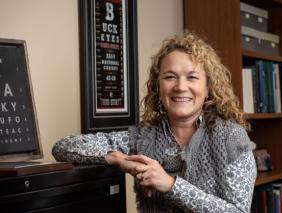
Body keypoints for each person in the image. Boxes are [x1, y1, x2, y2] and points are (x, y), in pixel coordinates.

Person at [52, 32, 257, 212]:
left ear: (208, 87)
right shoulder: (144, 138)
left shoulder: (232, 138)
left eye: (192, 77)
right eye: (170, 77)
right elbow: (63, 148)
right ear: (158, 87)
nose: (180, 87)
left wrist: (170, 185)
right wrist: (118, 159)